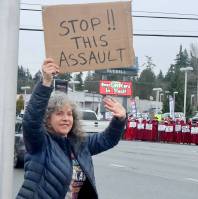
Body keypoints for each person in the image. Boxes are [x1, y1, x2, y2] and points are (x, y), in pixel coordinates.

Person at [17, 58, 127, 199]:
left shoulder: (79, 143)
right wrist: (45, 83)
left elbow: (107, 139)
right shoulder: (39, 143)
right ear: (47, 119)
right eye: (59, 113)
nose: (66, 118)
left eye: (69, 114)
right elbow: (31, 121)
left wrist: (120, 119)